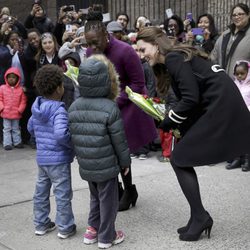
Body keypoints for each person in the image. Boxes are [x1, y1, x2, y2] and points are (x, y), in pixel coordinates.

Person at [136, 26, 250, 241]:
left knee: (179, 159)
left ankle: (200, 217)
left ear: (156, 44)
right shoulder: (175, 57)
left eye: (143, 50)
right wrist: (176, 124)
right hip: (220, 103)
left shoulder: (173, 58)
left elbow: (190, 98)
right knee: (180, 157)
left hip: (221, 105)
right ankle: (197, 216)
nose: (141, 56)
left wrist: (169, 121)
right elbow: (193, 97)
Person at [84, 11, 158, 211]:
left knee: (119, 151)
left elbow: (138, 83)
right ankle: (116, 188)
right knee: (105, 151)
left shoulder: (125, 51)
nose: (92, 48)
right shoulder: (91, 52)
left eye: (95, 42)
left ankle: (129, 190)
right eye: (88, 43)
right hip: (104, 106)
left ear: (105, 34)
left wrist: (116, 101)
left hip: (127, 104)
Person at [68, 54, 130, 248]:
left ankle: (91, 230)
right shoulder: (110, 107)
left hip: (86, 164)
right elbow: (119, 140)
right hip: (107, 165)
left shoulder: (74, 107)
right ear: (106, 80)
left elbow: (74, 137)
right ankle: (106, 236)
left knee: (95, 197)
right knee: (108, 202)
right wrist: (125, 162)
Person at [27, 65, 76, 239]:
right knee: (62, 194)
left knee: (41, 192)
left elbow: (30, 127)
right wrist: (72, 144)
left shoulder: (37, 107)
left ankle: (41, 224)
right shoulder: (59, 110)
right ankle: (65, 227)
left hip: (42, 159)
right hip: (59, 160)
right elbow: (61, 134)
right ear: (58, 89)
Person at [211, 3, 250, 78]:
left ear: (248, 15)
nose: (237, 17)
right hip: (224, 82)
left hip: (244, 85)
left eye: (240, 14)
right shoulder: (225, 35)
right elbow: (214, 57)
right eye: (234, 15)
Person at [226, 60, 250, 171]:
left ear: (248, 72)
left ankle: (246, 160)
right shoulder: (234, 84)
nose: (239, 76)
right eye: (237, 74)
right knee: (236, 137)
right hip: (236, 115)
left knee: (246, 138)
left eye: (242, 73)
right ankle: (237, 159)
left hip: (247, 115)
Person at [0, 67, 26, 150]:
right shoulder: (2, 88)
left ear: (17, 78)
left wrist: (20, 110)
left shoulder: (20, 90)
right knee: (6, 129)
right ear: (6, 78)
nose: (11, 79)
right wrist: (2, 108)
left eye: (14, 77)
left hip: (16, 113)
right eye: (9, 77)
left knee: (16, 128)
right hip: (5, 113)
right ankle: (7, 143)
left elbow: (23, 101)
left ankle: (17, 142)